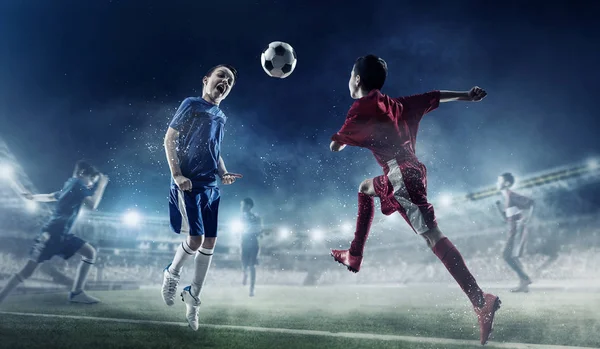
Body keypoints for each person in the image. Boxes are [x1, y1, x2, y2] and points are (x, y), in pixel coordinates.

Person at [329, 54, 499, 345]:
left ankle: (480, 300)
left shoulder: (361, 107)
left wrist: (344, 139)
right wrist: (466, 96)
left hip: (401, 176)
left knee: (433, 237)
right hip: (410, 172)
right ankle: (354, 254)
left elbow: (335, 146)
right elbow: (434, 96)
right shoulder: (398, 105)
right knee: (364, 187)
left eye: (350, 75)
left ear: (356, 79)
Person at [161, 64, 243, 331]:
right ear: (206, 79)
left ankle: (193, 297)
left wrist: (223, 173)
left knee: (210, 241)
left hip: (210, 186)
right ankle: (171, 273)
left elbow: (214, 148)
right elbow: (169, 138)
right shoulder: (192, 104)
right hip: (190, 183)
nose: (225, 82)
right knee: (195, 239)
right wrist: (177, 175)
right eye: (221, 76)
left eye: (230, 81)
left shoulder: (221, 115)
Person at [0, 160, 108, 305]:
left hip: (62, 234)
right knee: (27, 271)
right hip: (51, 234)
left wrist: (33, 197)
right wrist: (101, 185)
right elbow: (92, 205)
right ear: (82, 174)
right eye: (91, 180)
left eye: (94, 183)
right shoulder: (77, 184)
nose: (91, 185)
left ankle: (77, 293)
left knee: (90, 252)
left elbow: (52, 196)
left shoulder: (71, 185)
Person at [495, 172, 535, 292]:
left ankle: (525, 279)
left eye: (499, 180)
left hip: (517, 230)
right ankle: (524, 285)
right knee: (512, 257)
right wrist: (498, 207)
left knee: (507, 256)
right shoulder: (507, 198)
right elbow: (506, 219)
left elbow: (532, 203)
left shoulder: (511, 195)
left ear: (506, 183)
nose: (497, 183)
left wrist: (528, 219)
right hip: (513, 230)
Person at [239, 197, 263, 297]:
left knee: (252, 265)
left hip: (253, 242)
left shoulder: (256, 217)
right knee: (244, 264)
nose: (241, 207)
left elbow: (260, 229)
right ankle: (245, 273)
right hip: (244, 242)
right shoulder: (241, 217)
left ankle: (252, 289)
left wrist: (255, 231)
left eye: (243, 205)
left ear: (249, 206)